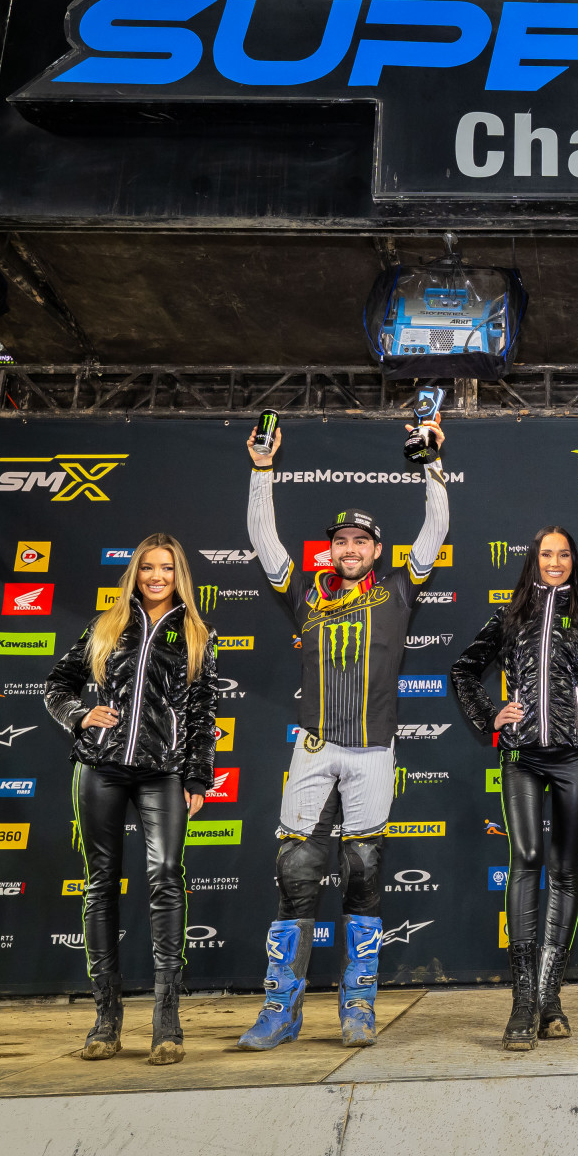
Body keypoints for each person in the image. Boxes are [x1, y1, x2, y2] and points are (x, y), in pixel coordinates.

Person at [237, 417, 451, 1051]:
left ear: (377, 551)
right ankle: (281, 1009)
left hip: (374, 751)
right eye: (341, 541)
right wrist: (262, 470)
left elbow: (435, 530)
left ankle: (359, 1007)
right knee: (296, 871)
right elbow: (264, 540)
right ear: (330, 550)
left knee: (363, 872)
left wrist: (432, 464)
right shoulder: (306, 594)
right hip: (314, 746)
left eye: (361, 541)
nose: (350, 548)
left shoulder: (400, 591)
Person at [42, 537, 218, 1063]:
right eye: (147, 568)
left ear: (179, 574)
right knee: (101, 883)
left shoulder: (197, 632)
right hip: (100, 768)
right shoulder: (106, 625)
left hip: (163, 772)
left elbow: (203, 712)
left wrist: (197, 777)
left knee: (165, 875)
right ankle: (105, 1019)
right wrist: (79, 716)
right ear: (134, 574)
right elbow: (57, 684)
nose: (156, 576)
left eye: (166, 568)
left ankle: (166, 1021)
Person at [448, 528, 578, 1049]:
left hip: (575, 758)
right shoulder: (510, 615)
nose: (555, 561)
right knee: (525, 858)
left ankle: (550, 999)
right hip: (521, 755)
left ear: (574, 560)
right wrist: (490, 717)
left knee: (565, 871)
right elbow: (463, 669)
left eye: (564, 554)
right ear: (533, 560)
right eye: (547, 554)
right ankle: (523, 1003)